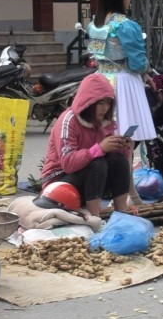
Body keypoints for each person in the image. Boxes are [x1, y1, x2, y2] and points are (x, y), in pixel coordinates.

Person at [40, 72, 137, 218]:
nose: (105, 108)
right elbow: (68, 163)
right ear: (89, 102)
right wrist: (99, 149)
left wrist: (122, 148)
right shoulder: (69, 120)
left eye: (108, 102)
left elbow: (113, 160)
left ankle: (121, 215)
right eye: (101, 103)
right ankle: (94, 218)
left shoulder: (105, 121)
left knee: (118, 160)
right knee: (97, 163)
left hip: (91, 182)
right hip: (58, 185)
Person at [85, 0, 155, 143]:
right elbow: (138, 63)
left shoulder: (94, 24)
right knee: (125, 138)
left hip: (99, 81)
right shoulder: (127, 26)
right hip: (125, 84)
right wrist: (146, 70)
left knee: (100, 136)